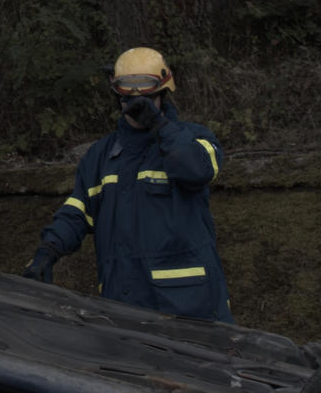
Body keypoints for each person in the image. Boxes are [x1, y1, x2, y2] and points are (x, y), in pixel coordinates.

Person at [24, 46, 231, 322]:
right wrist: (47, 252)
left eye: (145, 96)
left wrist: (160, 126)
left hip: (189, 309)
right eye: (127, 96)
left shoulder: (194, 138)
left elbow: (196, 169)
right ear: (116, 95)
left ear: (163, 93)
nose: (136, 105)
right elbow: (77, 211)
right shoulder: (101, 155)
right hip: (122, 305)